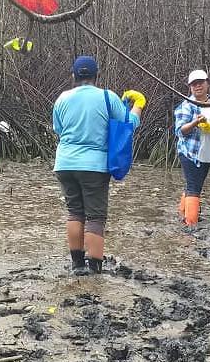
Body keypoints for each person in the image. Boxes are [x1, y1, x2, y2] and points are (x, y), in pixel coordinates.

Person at [53, 56, 145, 275]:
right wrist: (138, 106)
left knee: (74, 212)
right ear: (97, 76)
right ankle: (94, 268)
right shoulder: (107, 97)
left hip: (65, 163)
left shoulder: (62, 98)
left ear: (74, 76)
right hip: (94, 166)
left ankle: (77, 265)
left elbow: (58, 129)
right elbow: (127, 125)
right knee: (95, 217)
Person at [173, 69, 210, 227]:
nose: (198, 86)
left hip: (209, 152)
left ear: (208, 84)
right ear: (190, 87)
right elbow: (180, 130)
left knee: (193, 185)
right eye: (194, 84)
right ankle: (190, 225)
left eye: (201, 83)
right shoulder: (187, 105)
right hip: (190, 153)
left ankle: (183, 215)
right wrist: (195, 123)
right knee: (194, 187)